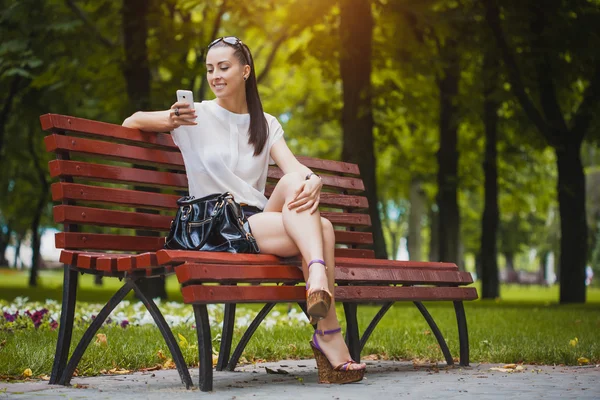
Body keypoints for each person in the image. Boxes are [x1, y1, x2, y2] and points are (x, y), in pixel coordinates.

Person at [123, 36, 366, 384]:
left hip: (254, 221)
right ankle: (327, 327)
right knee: (323, 229)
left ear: (245, 71)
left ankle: (317, 285)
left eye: (224, 67)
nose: (215, 75)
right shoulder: (195, 116)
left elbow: (292, 167)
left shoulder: (264, 123)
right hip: (216, 226)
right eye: (210, 69)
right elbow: (131, 122)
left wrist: (313, 181)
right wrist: (170, 118)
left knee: (297, 184)